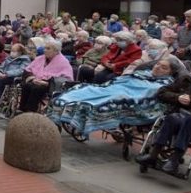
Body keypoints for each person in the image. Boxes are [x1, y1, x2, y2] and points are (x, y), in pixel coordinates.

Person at [48, 58, 179, 139]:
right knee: (85, 88)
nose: (158, 67)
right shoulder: (141, 74)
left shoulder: (165, 84)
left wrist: (122, 93)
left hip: (126, 97)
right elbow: (118, 81)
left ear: (170, 72)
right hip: (112, 89)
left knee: (106, 100)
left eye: (164, 67)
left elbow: (145, 95)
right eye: (157, 65)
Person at [18, 41, 73, 113]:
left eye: (48, 48)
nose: (45, 50)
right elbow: (28, 70)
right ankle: (22, 109)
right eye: (45, 48)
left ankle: (30, 111)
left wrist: (46, 83)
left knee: (36, 88)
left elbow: (67, 79)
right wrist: (33, 78)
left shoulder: (63, 62)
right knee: (27, 86)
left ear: (56, 51)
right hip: (35, 80)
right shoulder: (39, 58)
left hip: (51, 85)